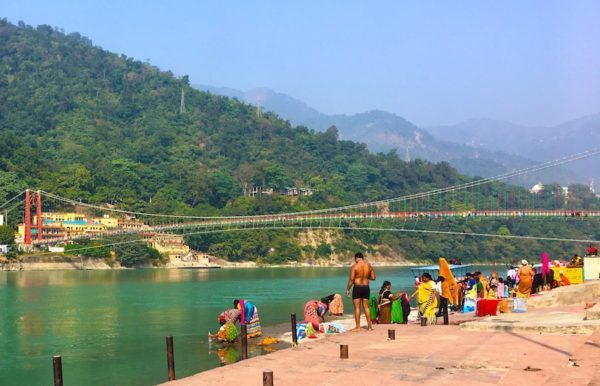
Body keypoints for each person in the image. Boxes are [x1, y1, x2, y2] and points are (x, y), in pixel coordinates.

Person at [345, 252, 376, 331]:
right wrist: (365, 277)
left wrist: (348, 289)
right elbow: (373, 277)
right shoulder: (368, 266)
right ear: (362, 258)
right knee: (366, 307)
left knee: (357, 308)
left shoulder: (355, 266)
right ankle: (369, 327)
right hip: (366, 287)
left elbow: (352, 279)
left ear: (356, 258)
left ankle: (358, 327)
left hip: (357, 287)